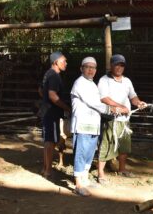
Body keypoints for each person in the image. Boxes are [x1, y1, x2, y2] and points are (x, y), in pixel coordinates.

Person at [70, 57, 121, 196]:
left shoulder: (92, 84)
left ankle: (85, 179)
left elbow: (97, 104)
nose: (91, 70)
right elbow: (94, 103)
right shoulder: (79, 83)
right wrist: (112, 109)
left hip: (93, 125)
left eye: (93, 67)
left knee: (89, 152)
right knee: (81, 153)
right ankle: (78, 184)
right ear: (82, 68)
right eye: (87, 67)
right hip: (82, 124)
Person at [97, 54, 147, 183]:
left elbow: (133, 96)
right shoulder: (104, 80)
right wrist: (122, 107)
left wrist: (138, 103)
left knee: (124, 146)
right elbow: (103, 98)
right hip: (110, 119)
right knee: (106, 145)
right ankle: (101, 173)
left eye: (122, 65)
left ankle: (122, 169)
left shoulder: (127, 81)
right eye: (117, 64)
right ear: (111, 65)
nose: (119, 67)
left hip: (124, 120)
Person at [40, 51, 71, 179]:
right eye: (63, 61)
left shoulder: (47, 74)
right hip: (51, 112)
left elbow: (41, 90)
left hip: (48, 111)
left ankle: (44, 168)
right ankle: (48, 170)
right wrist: (66, 108)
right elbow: (52, 95)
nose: (66, 63)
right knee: (50, 141)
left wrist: (45, 101)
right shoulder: (54, 76)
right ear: (55, 62)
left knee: (49, 140)